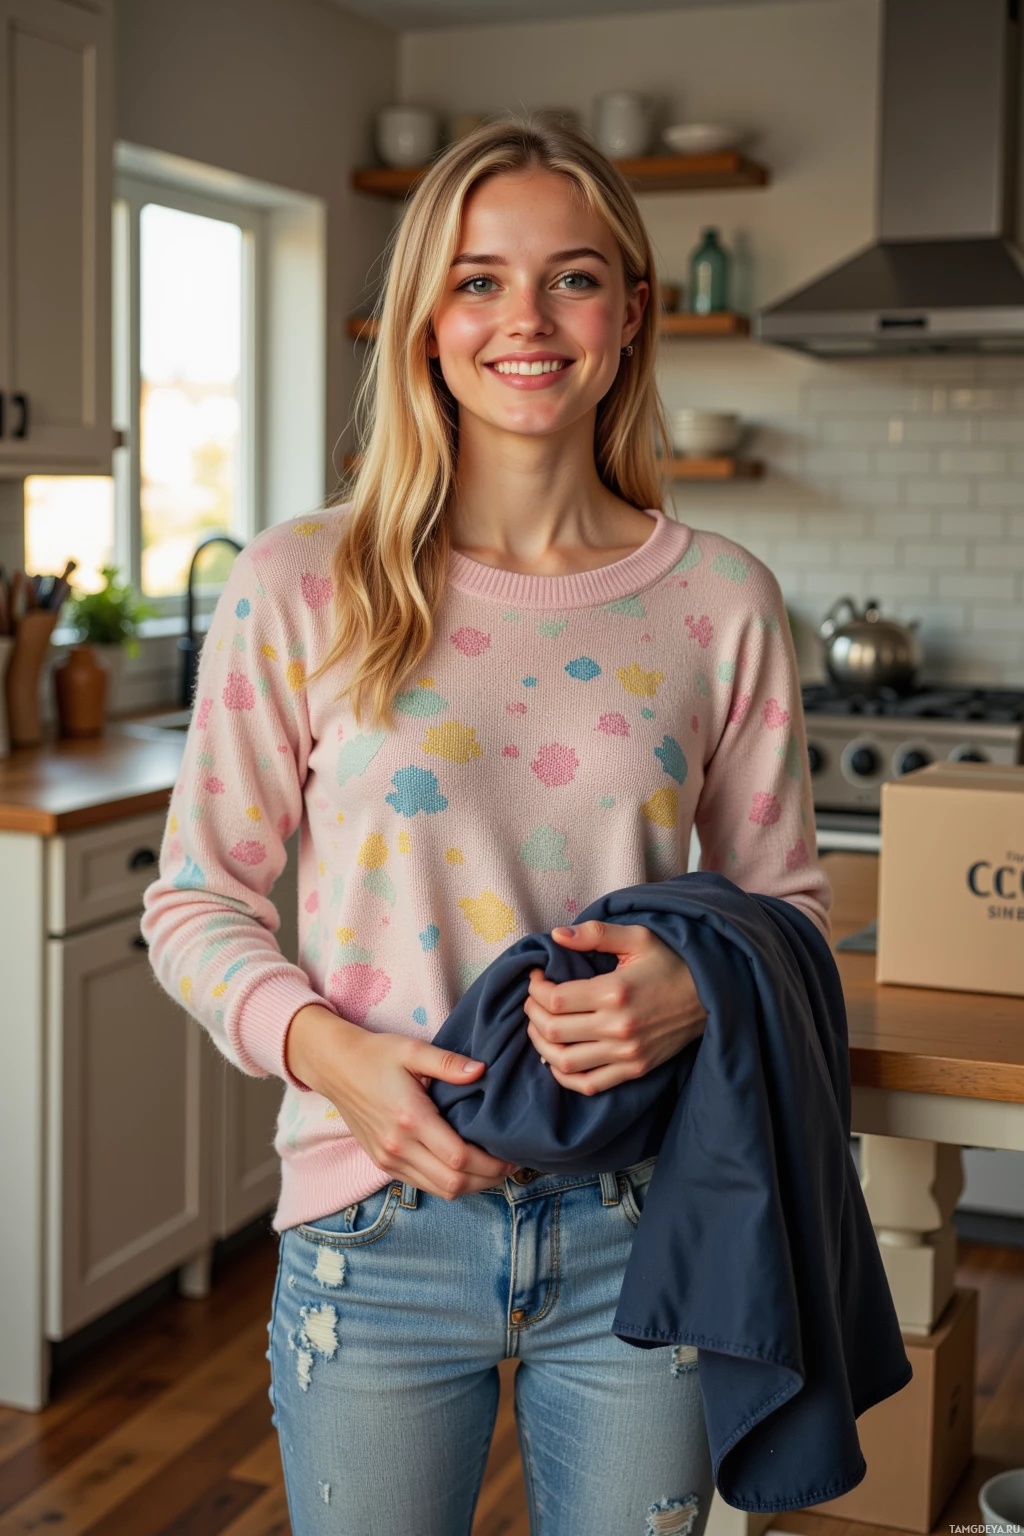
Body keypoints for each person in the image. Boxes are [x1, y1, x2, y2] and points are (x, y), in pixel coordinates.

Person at [142, 113, 832, 1536]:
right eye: (478, 280)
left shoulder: (721, 600)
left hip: (647, 1226)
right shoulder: (302, 586)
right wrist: (336, 1060)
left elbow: (793, 910)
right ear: (422, 322)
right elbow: (194, 903)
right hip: (372, 1226)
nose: (528, 319)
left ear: (632, 315)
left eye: (574, 278)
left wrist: (698, 987)